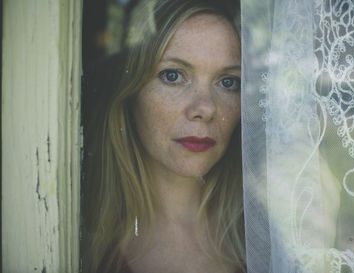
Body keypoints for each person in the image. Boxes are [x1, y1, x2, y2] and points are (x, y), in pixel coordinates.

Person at [81, 0, 244, 272]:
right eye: (173, 75)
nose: (205, 108)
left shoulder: (267, 234)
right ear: (130, 92)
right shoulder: (79, 243)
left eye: (228, 82)